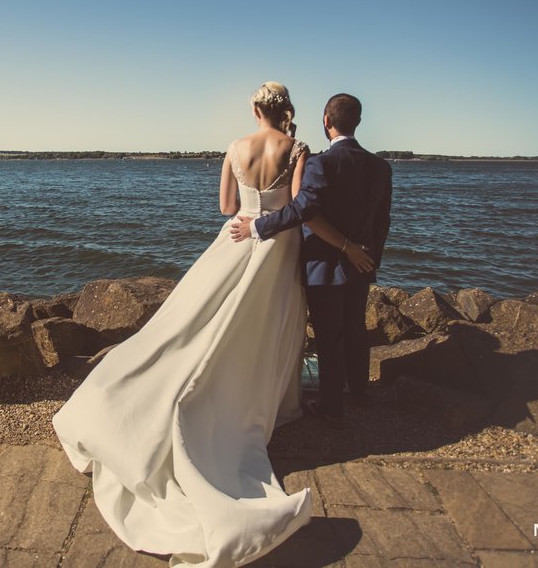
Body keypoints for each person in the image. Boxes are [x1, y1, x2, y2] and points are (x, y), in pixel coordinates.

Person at [54, 82, 360, 567]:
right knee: (266, 329)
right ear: (283, 110)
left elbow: (225, 208)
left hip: (237, 238)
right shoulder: (297, 148)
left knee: (194, 323)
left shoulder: (235, 148)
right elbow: (302, 210)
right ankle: (260, 401)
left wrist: (250, 210)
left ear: (257, 109)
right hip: (278, 249)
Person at [231, 93, 392, 428]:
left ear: (326, 121)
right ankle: (359, 393)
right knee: (355, 330)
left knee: (328, 336)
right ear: (358, 122)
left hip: (322, 264)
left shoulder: (321, 164)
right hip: (361, 264)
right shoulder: (380, 167)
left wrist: (258, 226)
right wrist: (369, 257)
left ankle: (332, 405)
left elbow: (303, 210)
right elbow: (382, 221)